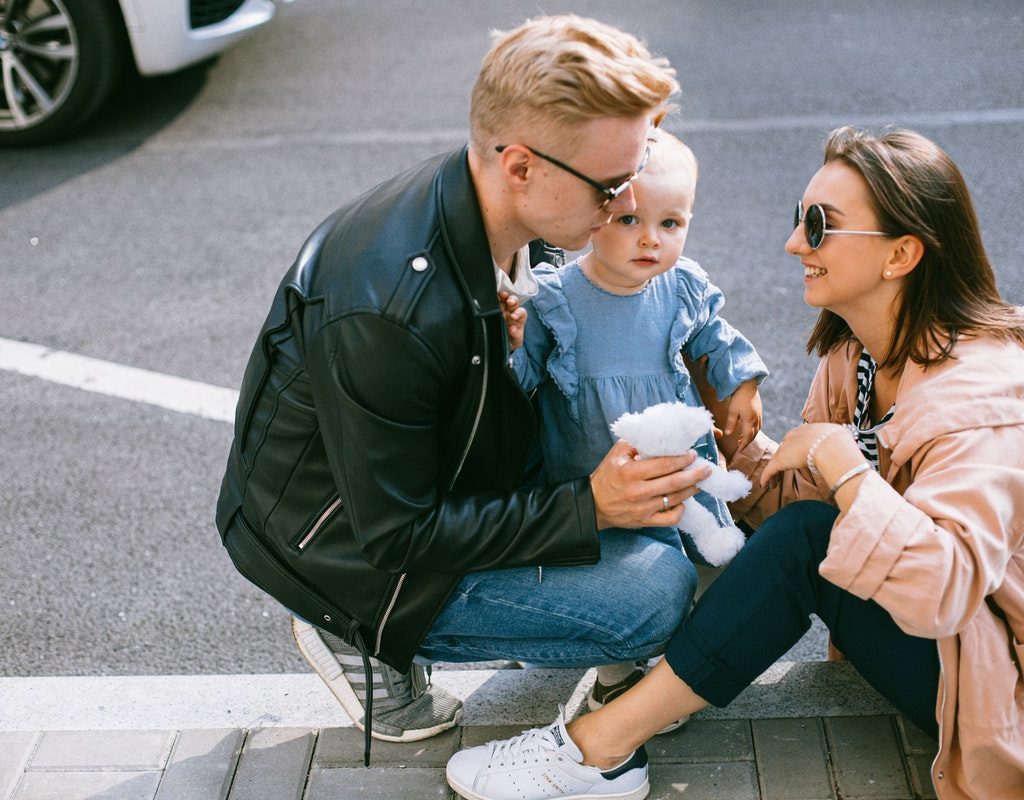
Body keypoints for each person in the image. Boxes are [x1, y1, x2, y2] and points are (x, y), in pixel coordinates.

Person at [446, 126, 1024, 800]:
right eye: (797, 219)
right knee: (791, 531)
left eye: (819, 226)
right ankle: (636, 685)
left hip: (999, 691)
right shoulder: (859, 358)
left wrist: (839, 460)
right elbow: (822, 503)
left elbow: (941, 584)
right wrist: (726, 455)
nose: (793, 244)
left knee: (804, 542)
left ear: (901, 253)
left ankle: (597, 749)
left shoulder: (984, 397)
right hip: (954, 658)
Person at [215, 15, 712, 766]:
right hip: (346, 555)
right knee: (653, 592)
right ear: (520, 166)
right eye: (611, 186)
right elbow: (395, 537)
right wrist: (589, 507)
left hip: (435, 480)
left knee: (664, 521)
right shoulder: (390, 311)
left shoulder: (507, 212)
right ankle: (348, 632)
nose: (623, 207)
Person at [506, 129, 767, 712]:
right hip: (591, 466)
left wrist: (741, 382)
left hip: (676, 453)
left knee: (696, 544)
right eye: (628, 221)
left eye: (670, 224)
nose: (651, 240)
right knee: (613, 558)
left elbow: (716, 339)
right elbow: (520, 380)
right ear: (593, 215)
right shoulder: (558, 300)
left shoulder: (680, 286)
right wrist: (513, 342)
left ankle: (683, 659)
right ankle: (615, 677)